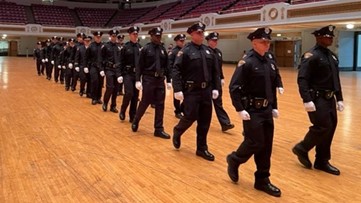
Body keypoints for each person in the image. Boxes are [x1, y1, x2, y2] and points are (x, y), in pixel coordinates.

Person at [226, 27, 282, 197]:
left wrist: (274, 106)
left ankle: (262, 180)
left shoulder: (270, 61)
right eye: (263, 42)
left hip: (266, 109)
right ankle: (235, 159)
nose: (266, 45)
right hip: (251, 110)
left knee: (266, 146)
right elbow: (234, 87)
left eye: (268, 42)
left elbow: (271, 87)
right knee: (254, 142)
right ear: (254, 42)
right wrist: (240, 109)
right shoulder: (247, 62)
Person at [292, 25, 344, 176]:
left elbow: (336, 79)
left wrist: (339, 98)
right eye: (327, 37)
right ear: (318, 38)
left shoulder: (332, 56)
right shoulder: (311, 55)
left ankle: (322, 161)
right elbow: (302, 79)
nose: (330, 39)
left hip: (330, 98)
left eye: (331, 37)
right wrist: (306, 100)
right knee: (322, 126)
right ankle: (302, 148)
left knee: (331, 127)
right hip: (317, 97)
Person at [172, 22, 220, 161]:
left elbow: (215, 71)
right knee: (190, 117)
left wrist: (216, 87)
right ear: (191, 34)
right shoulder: (185, 51)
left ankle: (201, 148)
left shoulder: (208, 51)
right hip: (191, 91)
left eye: (202, 33)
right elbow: (176, 70)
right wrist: (178, 89)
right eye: (198, 33)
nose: (201, 35)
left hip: (206, 91)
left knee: (205, 121)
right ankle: (178, 131)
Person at [131, 27, 171, 139]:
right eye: (156, 36)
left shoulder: (163, 50)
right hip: (149, 79)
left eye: (159, 36)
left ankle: (158, 129)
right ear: (151, 36)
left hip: (160, 79)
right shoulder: (145, 49)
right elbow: (139, 66)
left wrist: (169, 80)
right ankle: (136, 120)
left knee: (160, 104)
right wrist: (138, 79)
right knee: (145, 102)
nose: (158, 38)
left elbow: (167, 66)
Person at [205, 32, 235, 132]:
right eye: (213, 40)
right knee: (203, 104)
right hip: (207, 82)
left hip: (216, 82)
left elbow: (219, 67)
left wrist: (221, 77)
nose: (215, 42)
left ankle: (225, 123)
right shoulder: (204, 52)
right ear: (208, 41)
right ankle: (191, 115)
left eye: (216, 40)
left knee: (218, 103)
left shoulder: (218, 52)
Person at [119, 26, 141, 122]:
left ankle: (132, 115)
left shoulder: (140, 47)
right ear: (130, 35)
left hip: (137, 75)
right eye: (133, 34)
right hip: (127, 73)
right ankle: (123, 110)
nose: (135, 36)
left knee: (135, 96)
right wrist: (119, 74)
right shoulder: (125, 47)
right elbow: (120, 61)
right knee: (129, 93)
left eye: (136, 34)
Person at [101, 29, 123, 113]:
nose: (114, 38)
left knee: (116, 89)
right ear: (110, 36)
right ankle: (105, 103)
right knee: (110, 87)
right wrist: (102, 69)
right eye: (113, 36)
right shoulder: (106, 46)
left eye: (115, 36)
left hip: (117, 70)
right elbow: (101, 58)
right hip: (109, 69)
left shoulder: (119, 47)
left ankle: (113, 106)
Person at [168, 34, 186, 119]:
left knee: (187, 94)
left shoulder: (186, 50)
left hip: (185, 77)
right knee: (177, 95)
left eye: (183, 41)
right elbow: (170, 65)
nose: (183, 42)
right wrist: (171, 77)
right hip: (177, 77)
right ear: (177, 41)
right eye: (181, 41)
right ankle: (177, 111)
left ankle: (182, 109)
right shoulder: (173, 52)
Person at [85, 31, 104, 105]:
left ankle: (99, 97)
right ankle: (94, 98)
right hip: (93, 66)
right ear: (94, 37)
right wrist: (86, 66)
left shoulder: (103, 46)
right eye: (97, 37)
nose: (98, 38)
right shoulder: (91, 46)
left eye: (99, 37)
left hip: (101, 67)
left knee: (100, 82)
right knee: (94, 81)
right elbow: (86, 57)